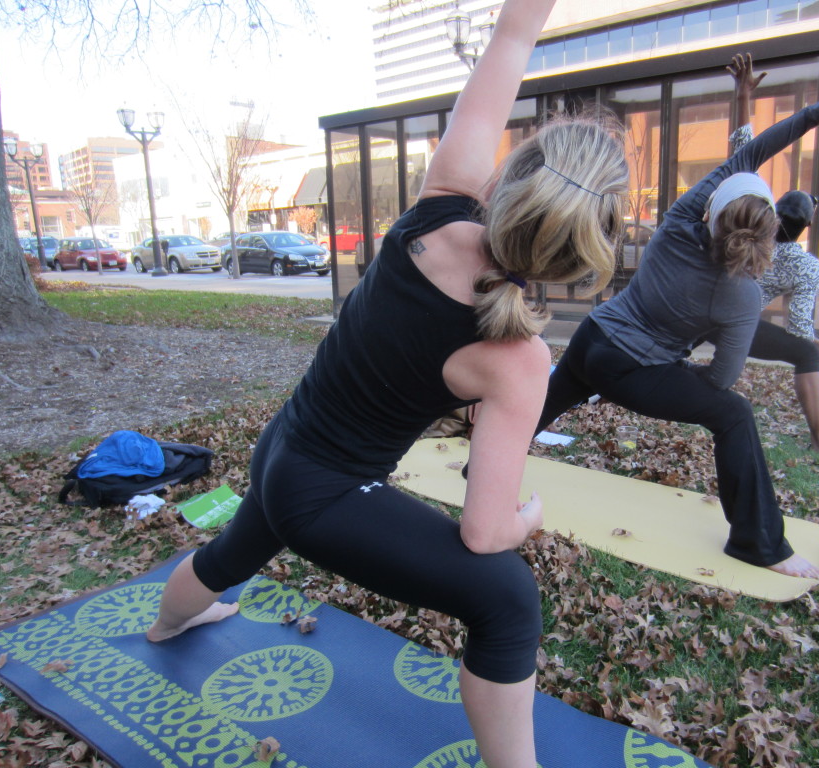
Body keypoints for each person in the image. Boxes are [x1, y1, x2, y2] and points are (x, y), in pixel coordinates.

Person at [145, 1, 629, 766]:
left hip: (284, 445)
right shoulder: (519, 359)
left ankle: (167, 625)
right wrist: (528, 517)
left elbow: (509, 41)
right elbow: (483, 531)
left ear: (514, 179)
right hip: (325, 492)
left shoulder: (438, 206)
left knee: (232, 554)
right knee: (508, 598)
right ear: (580, 255)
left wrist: (524, 17)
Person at [534, 53, 819, 580]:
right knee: (734, 413)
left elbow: (761, 146)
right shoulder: (743, 296)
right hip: (634, 372)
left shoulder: (679, 222)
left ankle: (478, 462)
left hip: (591, 339)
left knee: (547, 400)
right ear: (772, 231)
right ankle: (760, 545)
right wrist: (675, 375)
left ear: (712, 209)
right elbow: (721, 380)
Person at [724, 53, 819, 456]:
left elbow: (744, 147)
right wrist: (813, 343)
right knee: (804, 352)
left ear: (775, 210)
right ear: (805, 227)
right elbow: (798, 329)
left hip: (706, 311)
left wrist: (743, 96)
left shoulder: (753, 215)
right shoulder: (805, 266)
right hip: (734, 324)